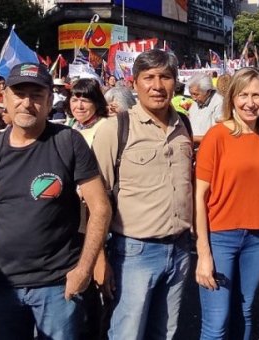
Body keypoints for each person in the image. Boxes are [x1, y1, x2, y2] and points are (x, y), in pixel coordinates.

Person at [0, 62, 111, 340]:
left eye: (36, 95)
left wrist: (84, 269)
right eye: (19, 94)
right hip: (2, 284)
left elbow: (100, 207)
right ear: (5, 99)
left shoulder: (69, 141)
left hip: (57, 285)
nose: (27, 103)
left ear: (48, 101)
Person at [92, 49, 193, 340]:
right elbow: (94, 202)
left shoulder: (183, 125)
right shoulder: (115, 129)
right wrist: (99, 258)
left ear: (175, 83)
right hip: (134, 253)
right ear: (134, 83)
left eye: (165, 77)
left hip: (180, 249)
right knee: (128, 332)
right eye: (148, 77)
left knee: (166, 332)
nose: (157, 86)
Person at [195, 68, 259, 340]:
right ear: (232, 98)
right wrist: (203, 252)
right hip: (220, 237)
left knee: (244, 312)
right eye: (243, 95)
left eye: (257, 95)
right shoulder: (217, 136)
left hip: (258, 238)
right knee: (216, 322)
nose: (250, 102)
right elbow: (199, 196)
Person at [66, 78, 109, 145]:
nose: (79, 106)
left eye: (85, 101)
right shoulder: (70, 124)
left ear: (96, 103)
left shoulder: (104, 128)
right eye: (74, 100)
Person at [188, 72, 224, 145]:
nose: (193, 98)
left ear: (208, 92)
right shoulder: (196, 101)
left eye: (196, 94)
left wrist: (192, 138)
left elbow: (218, 135)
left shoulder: (219, 102)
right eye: (191, 94)